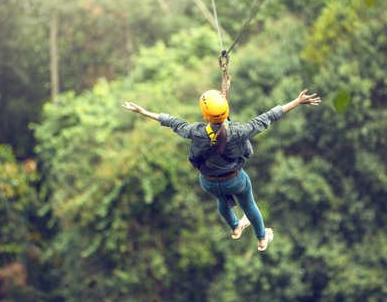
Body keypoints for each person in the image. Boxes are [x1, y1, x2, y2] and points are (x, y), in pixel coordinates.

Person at [122, 87, 320, 251]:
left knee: (222, 199)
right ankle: (261, 238)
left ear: (204, 114)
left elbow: (173, 122)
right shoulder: (239, 132)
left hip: (208, 182)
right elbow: (267, 118)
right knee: (248, 204)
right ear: (226, 111)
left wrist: (143, 112)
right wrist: (296, 102)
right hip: (235, 179)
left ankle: (235, 227)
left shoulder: (196, 132)